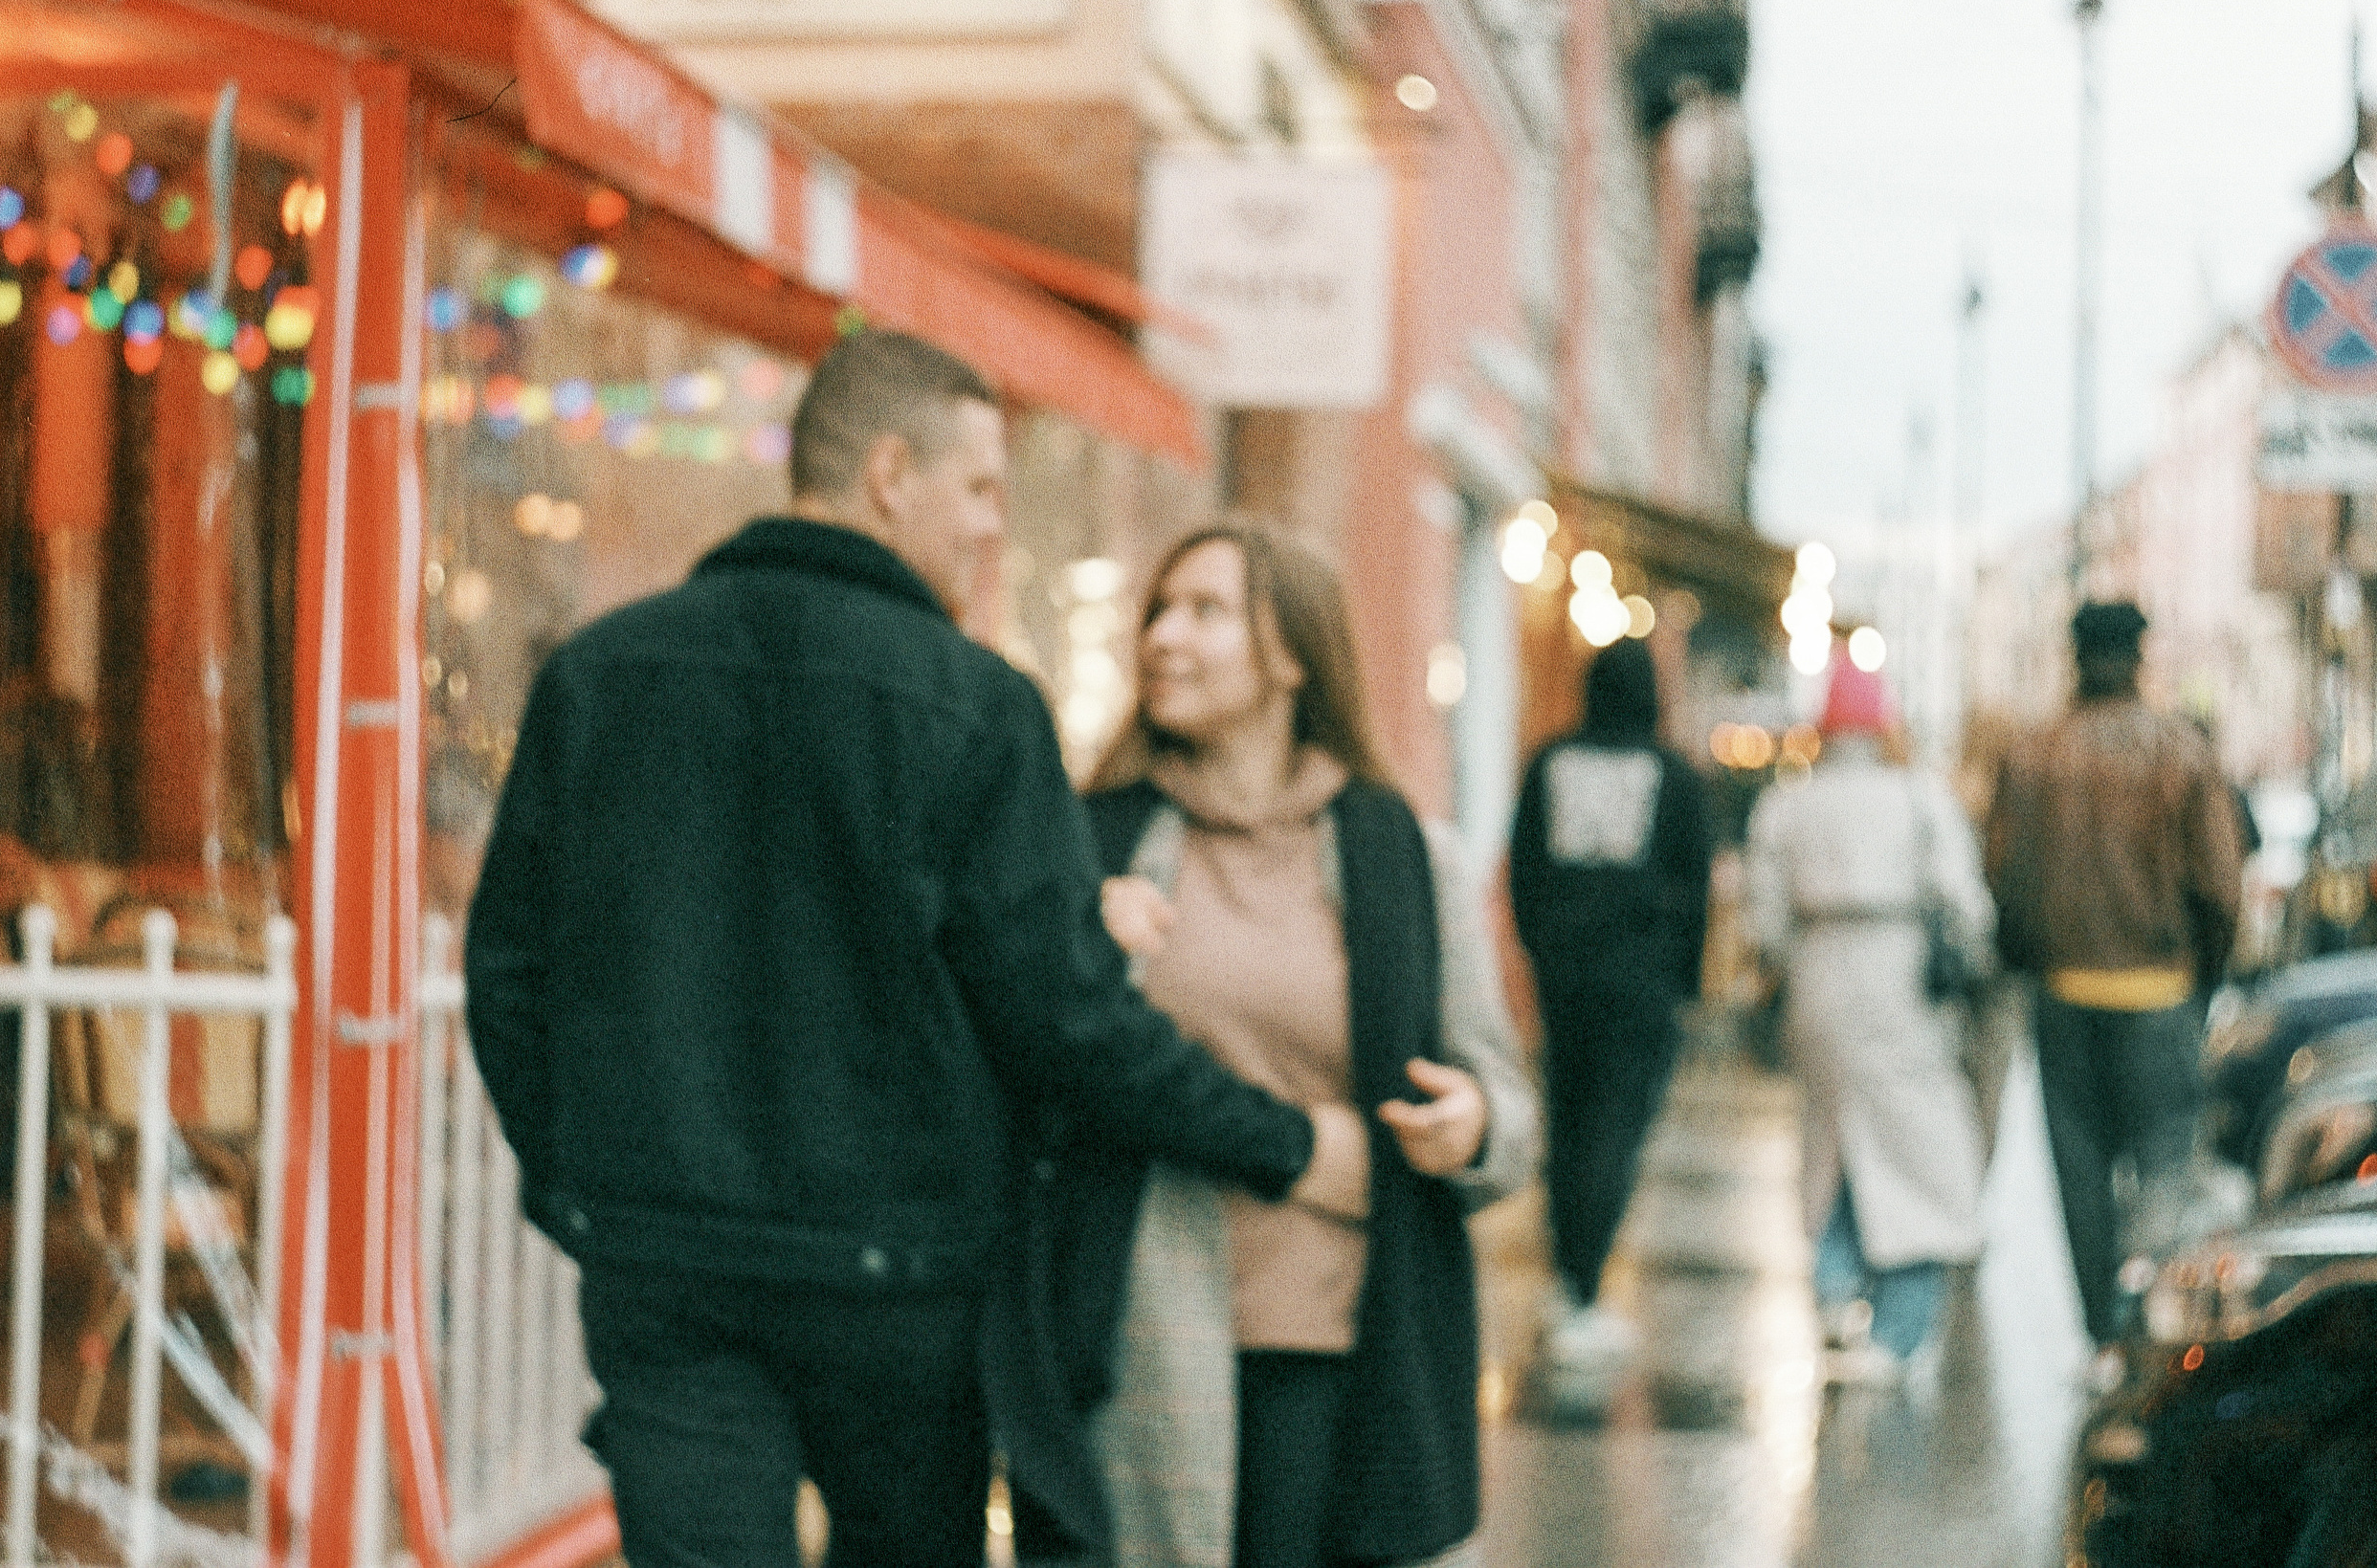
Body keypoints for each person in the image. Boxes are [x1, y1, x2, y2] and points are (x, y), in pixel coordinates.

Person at [463, 331, 1364, 1568]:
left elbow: (509, 974)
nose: (994, 523)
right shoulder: (977, 708)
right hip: (905, 1287)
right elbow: (1069, 1022)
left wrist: (582, 1185)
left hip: (664, 1262)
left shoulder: (599, 676)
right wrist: (1285, 1141)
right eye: (980, 486)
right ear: (890, 474)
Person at [1059, 519, 1537, 1568]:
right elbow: (1050, 1063)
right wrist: (1081, 942)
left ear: (1291, 656)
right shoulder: (1098, 839)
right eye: (1160, 610)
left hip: (1344, 1343)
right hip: (1140, 1333)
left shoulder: (1404, 856)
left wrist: (1473, 1124)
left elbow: (1506, 1098)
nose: (1164, 635)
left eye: (1206, 611)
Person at [1985, 601, 2248, 1360]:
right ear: (2139, 657)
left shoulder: (2032, 754)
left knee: (2080, 1174)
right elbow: (2220, 886)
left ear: (2075, 657)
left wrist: (2029, 958)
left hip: (2065, 993)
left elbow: (2003, 878)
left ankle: (2101, 1334)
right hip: (2161, 992)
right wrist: (2204, 978)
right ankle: (2152, 1334)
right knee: (2165, 1167)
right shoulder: (2183, 752)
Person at [1744, 658, 1993, 1385]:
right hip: (1900, 985)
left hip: (1818, 983)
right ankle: (1897, 1325)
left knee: (1831, 1141)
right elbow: (1965, 904)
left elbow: (1766, 922)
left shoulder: (1787, 804)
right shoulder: (1919, 798)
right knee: (1913, 1152)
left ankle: (1832, 1286)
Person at [1506, 637, 1708, 1382]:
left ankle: (1569, 1277)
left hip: (1564, 980)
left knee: (1567, 1123)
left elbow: (1522, 866)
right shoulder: (1674, 776)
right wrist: (1685, 984)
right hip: (1641, 987)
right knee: (1616, 1130)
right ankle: (1584, 1285)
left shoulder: (1549, 762)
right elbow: (1694, 888)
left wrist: (1542, 946)